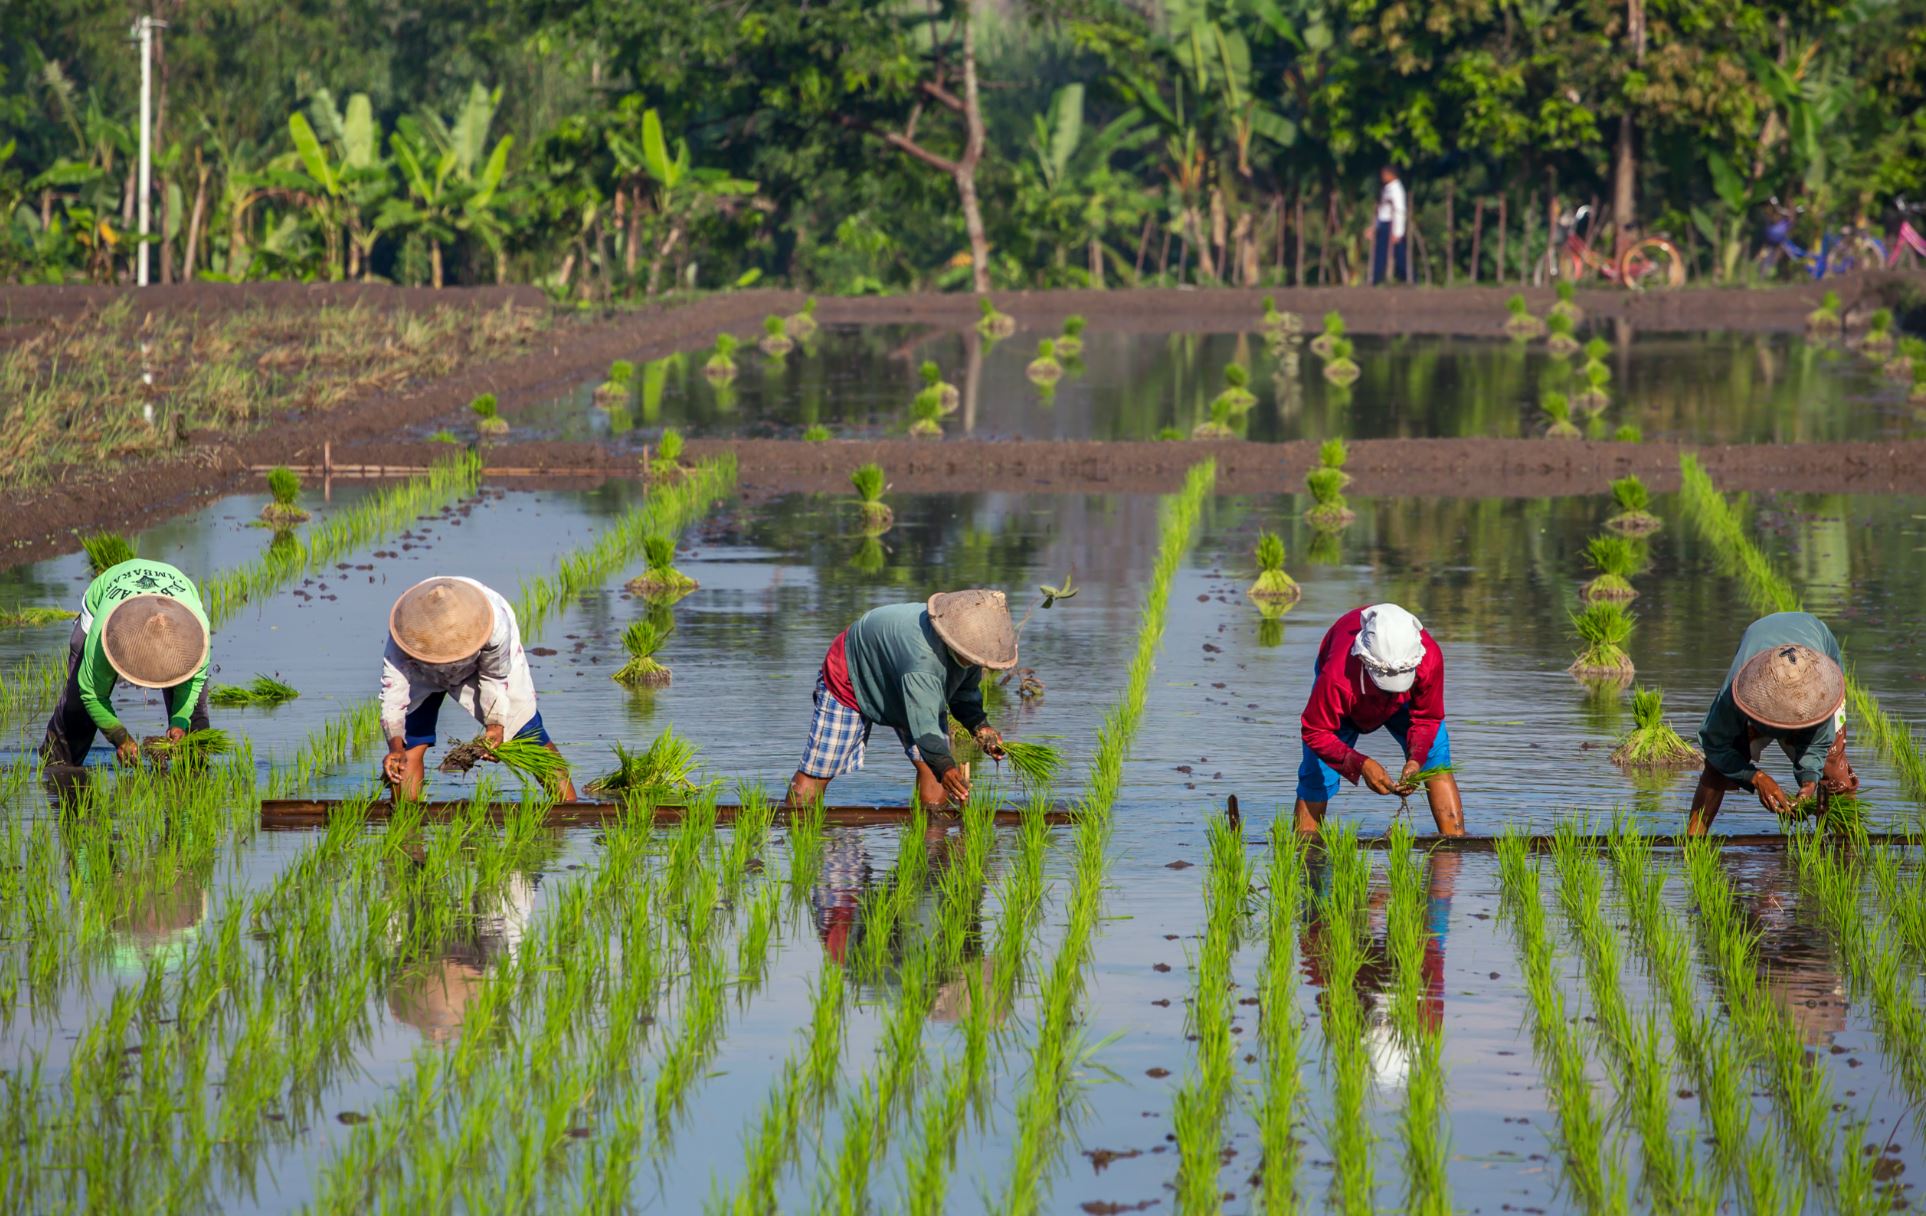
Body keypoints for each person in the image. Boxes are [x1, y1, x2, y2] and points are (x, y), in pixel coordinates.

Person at [786, 590, 1014, 811]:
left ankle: (931, 837)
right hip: (853, 671)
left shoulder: (969, 648)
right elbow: (925, 728)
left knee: (932, 767)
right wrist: (945, 767)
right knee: (819, 769)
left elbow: (964, 695)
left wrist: (981, 727)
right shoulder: (923, 663)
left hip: (903, 672)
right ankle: (797, 826)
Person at [379, 576, 576, 801]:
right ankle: (405, 821)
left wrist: (495, 726)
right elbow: (394, 695)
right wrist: (395, 747)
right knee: (410, 743)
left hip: (479, 665)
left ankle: (569, 810)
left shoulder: (494, 626)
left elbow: (494, 676)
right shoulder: (405, 631)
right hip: (421, 666)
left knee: (529, 735)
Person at [1295, 603, 1465, 836]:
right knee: (1317, 773)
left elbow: (1428, 718)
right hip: (1351, 697)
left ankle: (1453, 850)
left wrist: (1416, 760)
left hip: (1406, 701)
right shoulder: (1337, 677)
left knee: (1435, 759)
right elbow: (1315, 730)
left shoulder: (1429, 657)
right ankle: (1306, 855)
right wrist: (1360, 764)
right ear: (1366, 660)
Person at [1687, 611, 1856, 835]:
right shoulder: (1736, 692)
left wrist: (1809, 783)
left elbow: (1818, 745)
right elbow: (1715, 744)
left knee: (1833, 773)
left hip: (1814, 641)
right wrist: (1756, 778)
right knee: (1717, 770)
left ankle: (1845, 847)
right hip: (1759, 647)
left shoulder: (1821, 693)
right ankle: (1692, 845)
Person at [41, 558, 211, 767]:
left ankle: (195, 776)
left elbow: (194, 681)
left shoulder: (196, 633)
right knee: (77, 707)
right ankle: (58, 766)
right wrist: (119, 736)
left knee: (195, 719)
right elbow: (92, 692)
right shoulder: (105, 629)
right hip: (107, 601)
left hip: (177, 595)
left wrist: (180, 721)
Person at [1372, 165, 1408, 285]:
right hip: (1384, 223)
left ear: (1392, 175)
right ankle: (1377, 279)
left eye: (1385, 174)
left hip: (1392, 224)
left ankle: (1406, 277)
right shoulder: (1387, 189)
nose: (1382, 177)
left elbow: (1399, 211)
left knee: (1399, 253)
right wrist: (1375, 226)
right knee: (1380, 252)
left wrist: (1398, 232)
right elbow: (1382, 211)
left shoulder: (1397, 190)